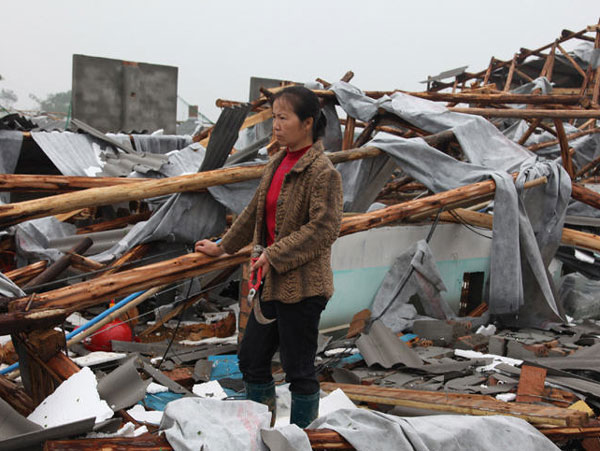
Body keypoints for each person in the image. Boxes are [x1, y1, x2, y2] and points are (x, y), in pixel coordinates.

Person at [194, 85, 343, 428]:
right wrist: (223, 247)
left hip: (304, 288)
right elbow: (253, 214)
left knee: (299, 369)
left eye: (283, 117)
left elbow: (324, 229)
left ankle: (303, 437)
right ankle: (259, 433)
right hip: (271, 282)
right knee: (252, 359)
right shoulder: (277, 162)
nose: (275, 124)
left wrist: (274, 254)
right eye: (273, 117)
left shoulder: (323, 172)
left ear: (307, 123)